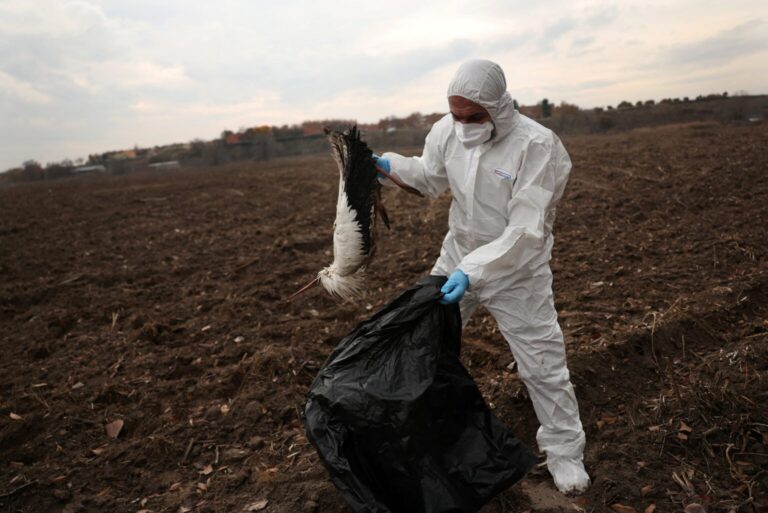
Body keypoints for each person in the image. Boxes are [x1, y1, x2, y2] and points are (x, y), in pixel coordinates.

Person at [373, 59, 590, 494]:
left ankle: (565, 453)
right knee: (424, 347)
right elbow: (429, 178)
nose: (465, 126)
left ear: (499, 107)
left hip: (516, 271)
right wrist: (388, 165)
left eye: (474, 118)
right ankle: (420, 444)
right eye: (457, 116)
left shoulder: (537, 147)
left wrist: (473, 272)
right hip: (457, 258)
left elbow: (526, 230)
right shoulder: (446, 132)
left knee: (542, 365)